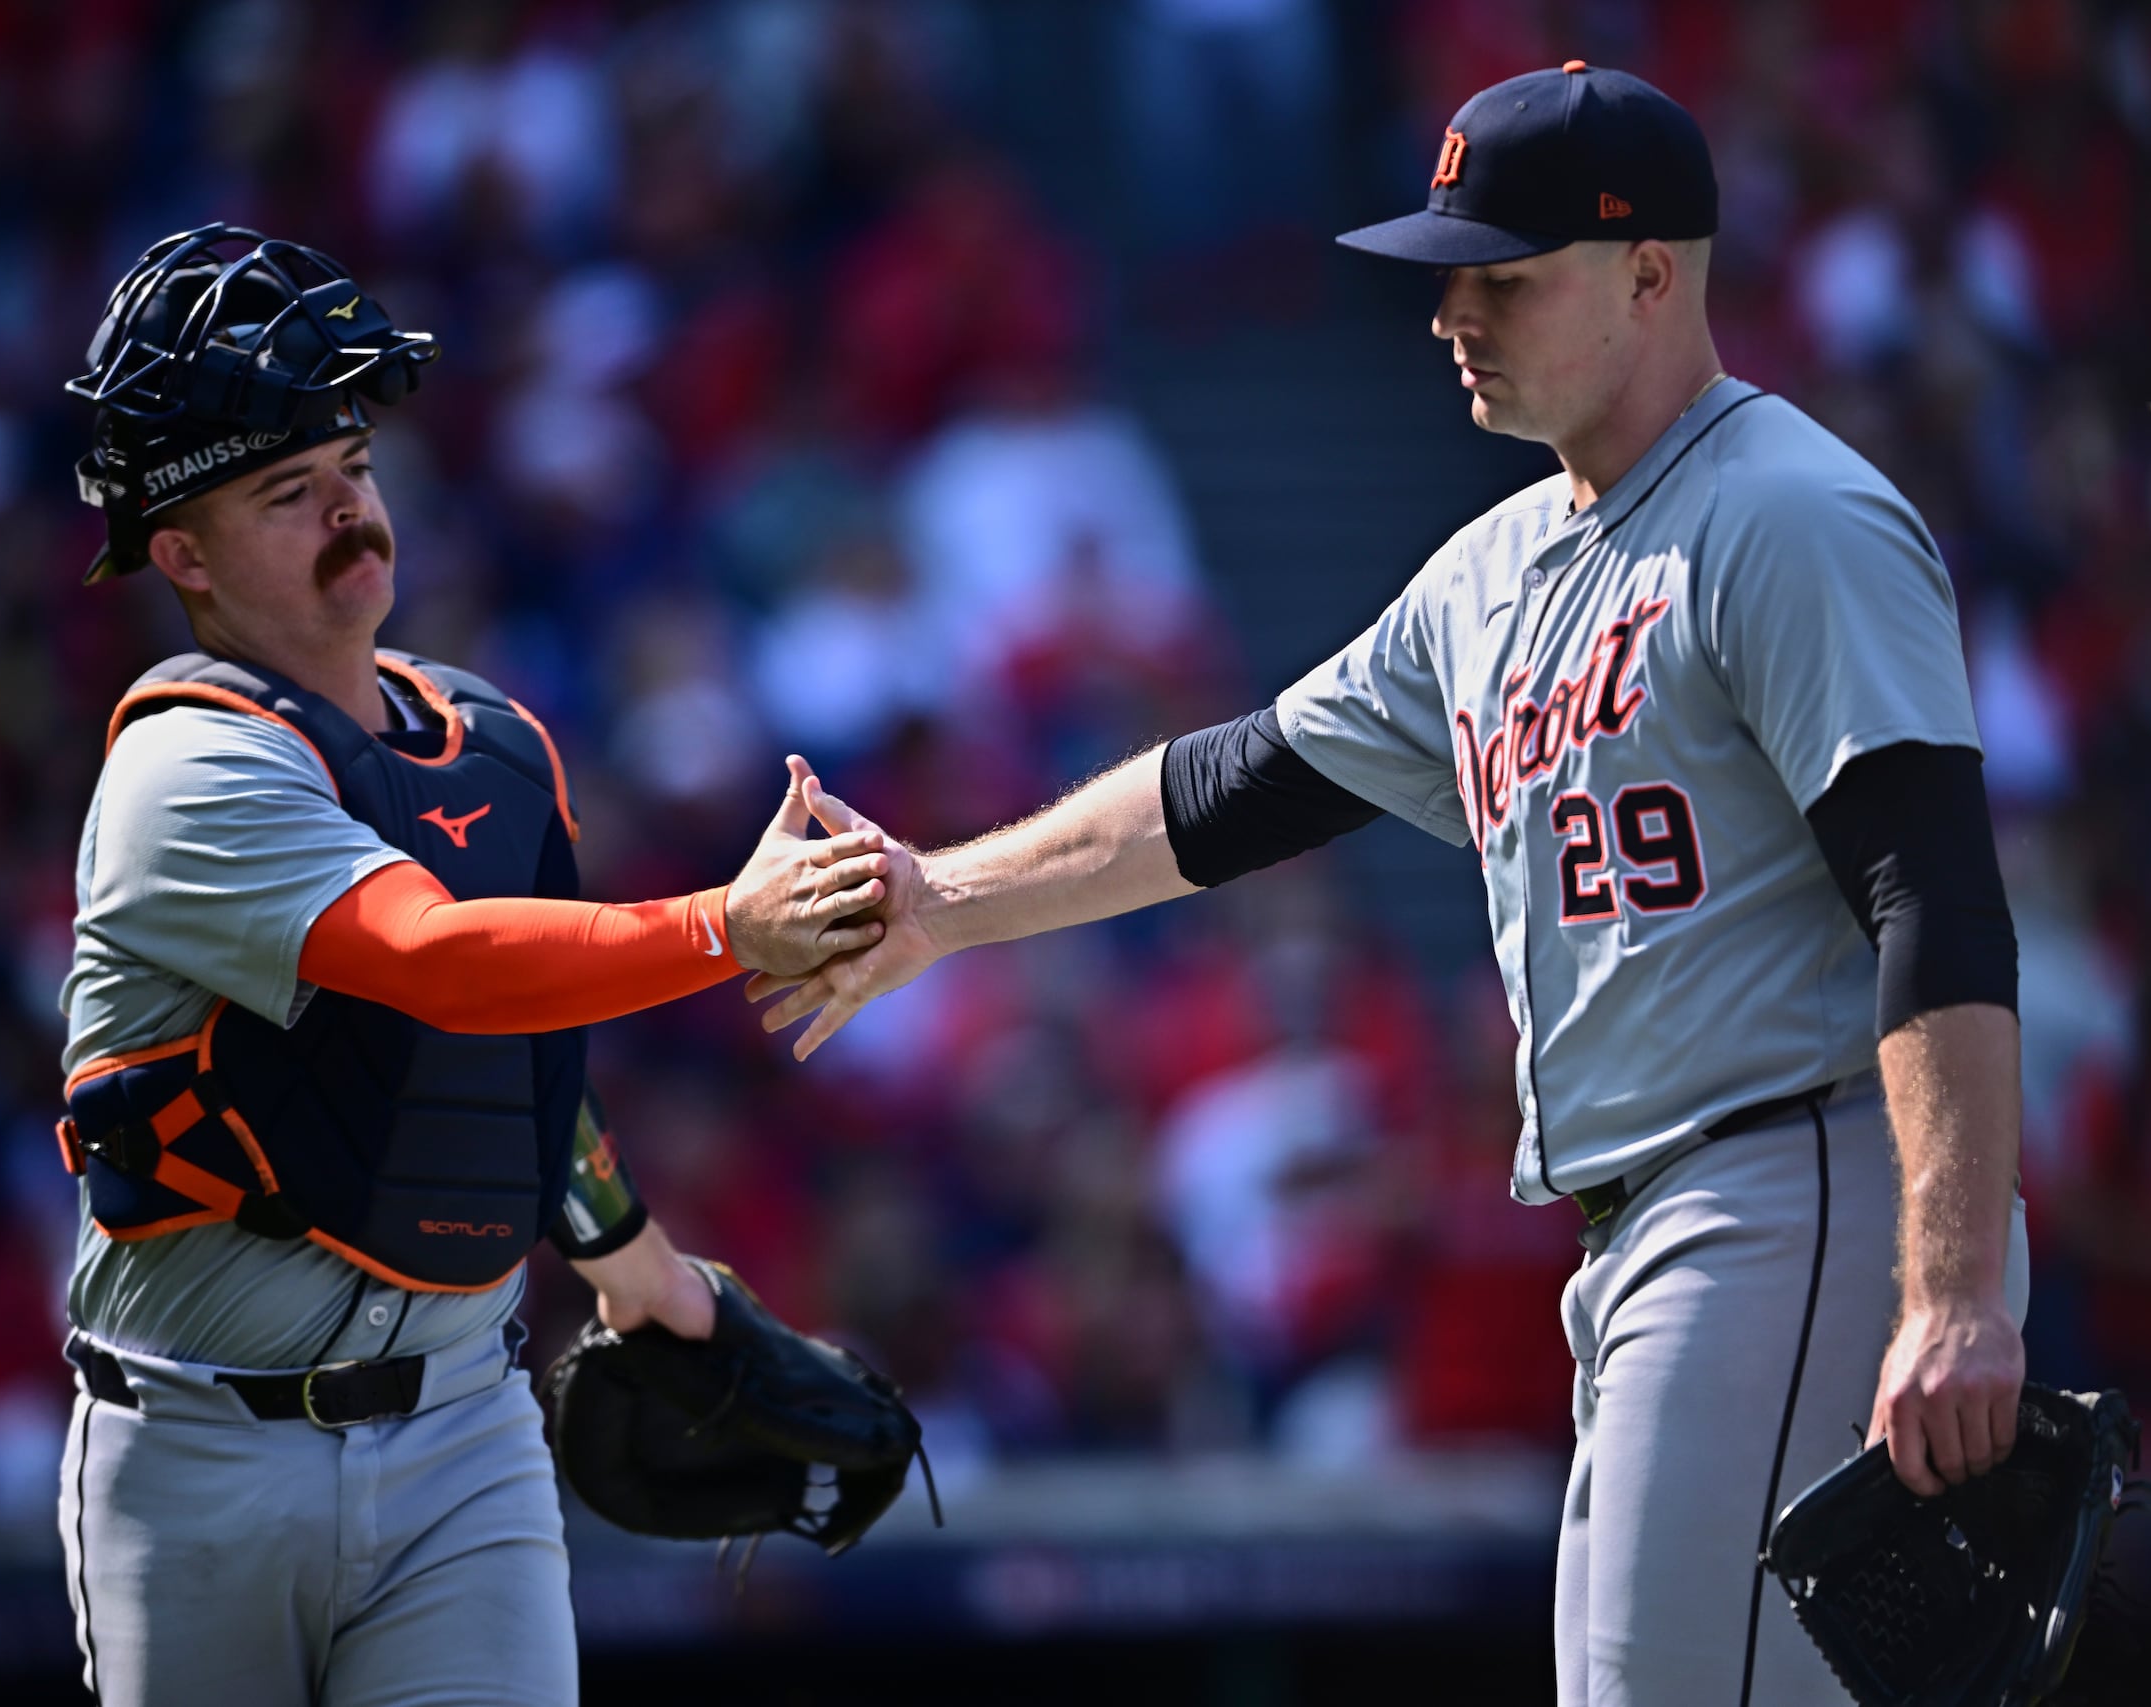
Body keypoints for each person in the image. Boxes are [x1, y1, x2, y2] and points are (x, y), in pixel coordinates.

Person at [752, 66, 2032, 1706]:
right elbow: (1230, 789)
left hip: (1794, 1179)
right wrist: (939, 899)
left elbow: (1935, 896)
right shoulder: (1490, 574)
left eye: (1505, 277)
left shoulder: (1790, 516)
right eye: (1449, 276)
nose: (1454, 315)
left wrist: (1953, 1290)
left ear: (1652, 275)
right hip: (1647, 1225)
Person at [50, 227, 886, 1706]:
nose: (348, 514)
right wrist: (724, 930)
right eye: (285, 492)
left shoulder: (491, 744)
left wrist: (653, 1290)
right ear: (180, 553)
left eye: (352, 470)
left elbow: (521, 1072)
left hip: (461, 1441)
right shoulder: (184, 770)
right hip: (196, 1454)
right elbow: (434, 966)